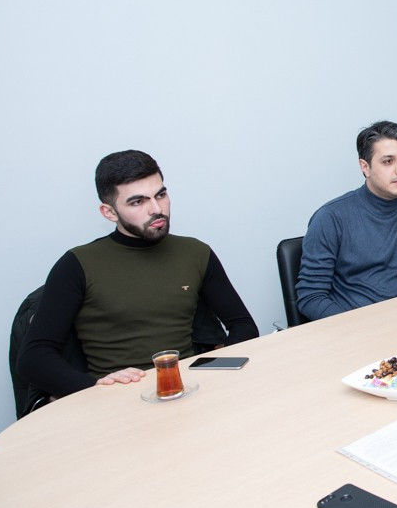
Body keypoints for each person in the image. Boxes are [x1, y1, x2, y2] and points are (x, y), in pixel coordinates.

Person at [18, 150, 259, 397]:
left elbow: (243, 325)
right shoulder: (76, 264)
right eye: (137, 202)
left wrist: (210, 369)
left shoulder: (196, 252)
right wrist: (94, 387)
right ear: (109, 212)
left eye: (161, 195)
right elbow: (33, 358)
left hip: (187, 387)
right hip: (116, 397)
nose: (156, 209)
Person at [296, 120, 397, 321]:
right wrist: (359, 328)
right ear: (365, 167)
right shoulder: (330, 217)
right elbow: (311, 297)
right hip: (352, 326)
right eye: (388, 161)